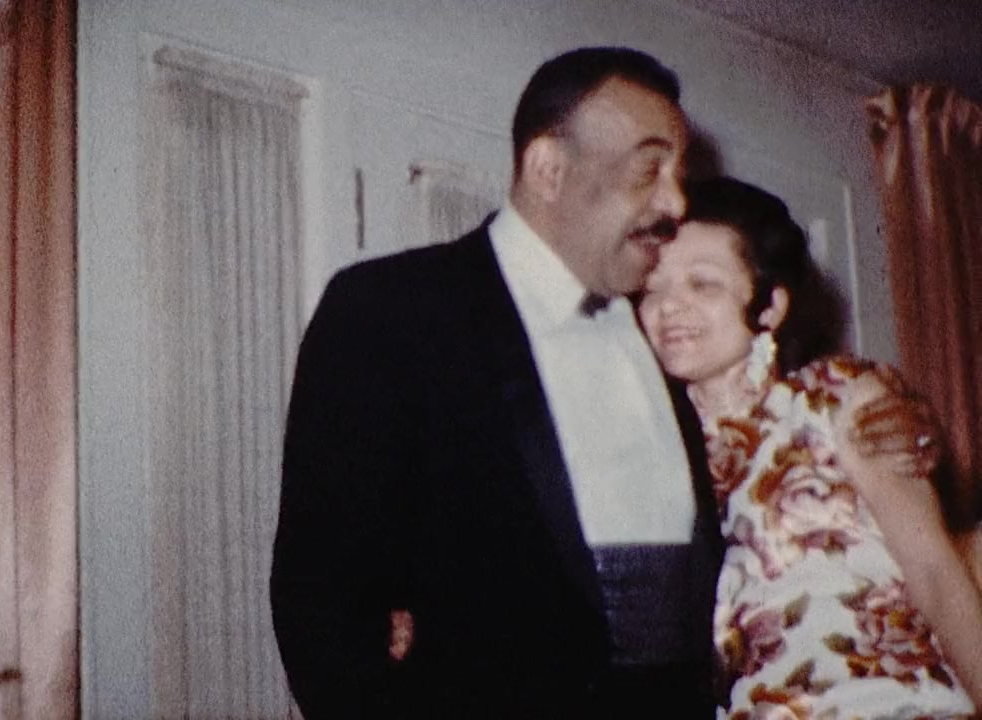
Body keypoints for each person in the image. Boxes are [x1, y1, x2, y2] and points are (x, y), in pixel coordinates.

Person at [270, 47, 937, 718]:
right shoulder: (393, 309)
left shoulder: (666, 334)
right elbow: (321, 602)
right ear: (548, 169)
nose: (676, 201)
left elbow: (772, 434)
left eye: (678, 174)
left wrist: (908, 430)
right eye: (650, 170)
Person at [636, 175, 982, 718]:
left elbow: (937, 575)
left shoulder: (837, 397)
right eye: (652, 289)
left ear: (770, 307)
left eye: (702, 284)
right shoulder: (651, 453)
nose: (669, 307)